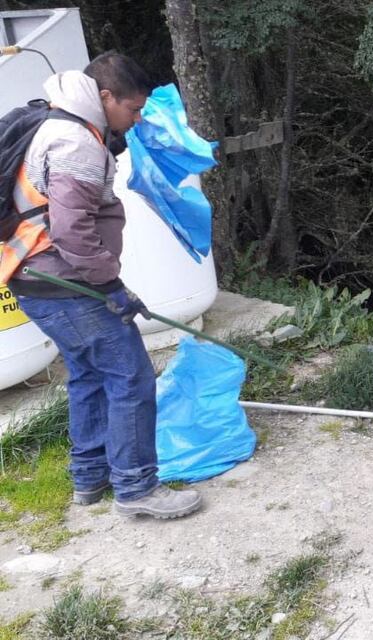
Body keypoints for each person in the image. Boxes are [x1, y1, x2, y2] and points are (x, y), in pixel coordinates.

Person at [6, 52, 202, 519]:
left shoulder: (58, 124)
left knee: (89, 375)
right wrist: (111, 284)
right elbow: (72, 231)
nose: (135, 121)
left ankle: (89, 479)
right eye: (132, 110)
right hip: (64, 283)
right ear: (106, 96)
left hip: (38, 279)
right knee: (130, 377)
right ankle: (137, 489)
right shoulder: (75, 143)